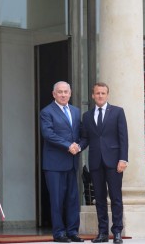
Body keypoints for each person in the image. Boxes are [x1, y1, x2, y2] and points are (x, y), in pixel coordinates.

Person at [80, 82, 128, 244]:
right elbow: (85, 138)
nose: (100, 96)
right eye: (97, 93)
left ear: (107, 95)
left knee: (116, 198)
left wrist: (123, 159)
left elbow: (123, 138)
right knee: (99, 199)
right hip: (95, 163)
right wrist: (77, 146)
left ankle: (117, 232)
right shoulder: (87, 116)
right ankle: (102, 233)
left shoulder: (117, 112)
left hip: (114, 162)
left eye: (103, 93)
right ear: (93, 95)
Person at [40, 81, 84, 243]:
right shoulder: (46, 112)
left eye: (66, 92)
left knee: (72, 199)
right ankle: (59, 233)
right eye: (60, 92)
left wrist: (79, 146)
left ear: (70, 93)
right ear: (54, 94)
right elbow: (48, 134)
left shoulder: (76, 111)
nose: (63, 95)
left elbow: (81, 134)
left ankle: (72, 231)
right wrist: (68, 145)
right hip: (54, 164)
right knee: (57, 200)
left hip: (72, 162)